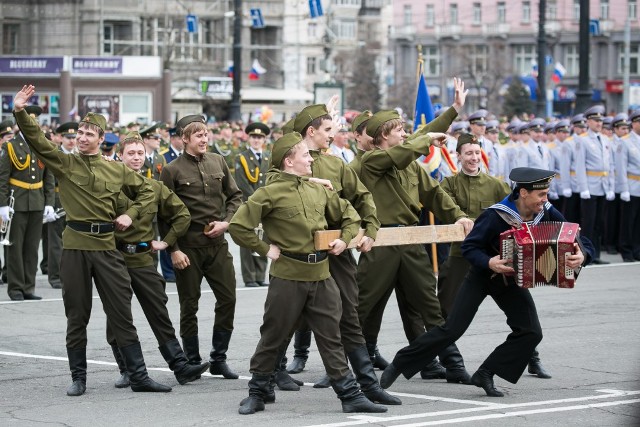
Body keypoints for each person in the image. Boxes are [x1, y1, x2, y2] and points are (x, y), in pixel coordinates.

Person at [380, 167, 594, 397]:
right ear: (523, 193)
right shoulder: (496, 214)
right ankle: (400, 362)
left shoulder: (547, 212)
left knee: (531, 332)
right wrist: (489, 261)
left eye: (546, 194)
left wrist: (582, 255)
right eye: (541, 194)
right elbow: (469, 246)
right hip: (482, 276)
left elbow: (576, 237)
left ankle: (486, 373)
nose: (546, 199)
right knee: (452, 329)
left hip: (510, 280)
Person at [12, 84, 169, 396]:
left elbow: (151, 190)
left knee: (121, 313)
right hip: (75, 248)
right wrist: (20, 111)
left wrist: (132, 214)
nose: (81, 137)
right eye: (79, 132)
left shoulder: (116, 170)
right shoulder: (65, 162)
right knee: (77, 314)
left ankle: (138, 376)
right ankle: (78, 378)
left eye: (88, 133)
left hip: (108, 249)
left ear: (101, 139)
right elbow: (39, 142)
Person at [228, 131, 386, 415]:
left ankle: (349, 395)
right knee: (273, 336)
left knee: (331, 337)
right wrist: (264, 249)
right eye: (304, 155)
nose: (310, 159)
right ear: (289, 161)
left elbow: (350, 214)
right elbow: (239, 226)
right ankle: (258, 391)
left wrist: (343, 239)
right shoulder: (269, 192)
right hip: (288, 277)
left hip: (322, 276)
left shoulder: (318, 190)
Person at [355, 78, 475, 385]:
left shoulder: (409, 165)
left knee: (428, 307)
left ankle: (450, 362)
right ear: (383, 136)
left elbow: (435, 195)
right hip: (380, 243)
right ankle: (361, 360)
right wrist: (427, 139)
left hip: (410, 242)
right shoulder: (371, 161)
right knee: (366, 307)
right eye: (399, 131)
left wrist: (459, 216)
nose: (405, 135)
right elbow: (408, 148)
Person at [106, 132, 210, 388]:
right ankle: (126, 369)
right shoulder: (108, 184)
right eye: (131, 153)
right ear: (120, 156)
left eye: (140, 153)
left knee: (159, 312)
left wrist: (166, 243)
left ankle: (180, 366)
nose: (136, 158)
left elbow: (182, 215)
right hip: (115, 258)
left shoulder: (154, 187)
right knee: (117, 316)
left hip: (143, 258)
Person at [159, 114, 243, 380]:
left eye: (206, 134)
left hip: (217, 244)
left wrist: (227, 222)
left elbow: (236, 196)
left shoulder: (218, 161)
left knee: (228, 298)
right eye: (198, 135)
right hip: (188, 248)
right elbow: (163, 214)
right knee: (189, 305)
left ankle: (219, 358)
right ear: (184, 138)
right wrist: (173, 249)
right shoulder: (171, 170)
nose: (204, 139)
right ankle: (193, 361)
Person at [0, 104, 55, 301]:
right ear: (20, 124)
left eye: (35, 122)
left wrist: (49, 202)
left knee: (31, 248)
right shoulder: (10, 146)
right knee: (15, 247)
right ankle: (15, 288)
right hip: (17, 203)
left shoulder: (42, 144)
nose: (33, 125)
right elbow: (3, 178)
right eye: (29, 121)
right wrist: (3, 205)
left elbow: (48, 176)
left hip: (37, 202)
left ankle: (28, 287)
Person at [574, 105, 615, 264]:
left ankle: (596, 254)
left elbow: (610, 165)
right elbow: (580, 166)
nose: (599, 123)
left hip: (603, 186)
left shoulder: (605, 140)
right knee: (588, 223)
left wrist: (610, 187)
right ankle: (585, 254)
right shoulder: (582, 140)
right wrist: (583, 188)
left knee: (599, 222)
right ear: (588, 122)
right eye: (595, 120)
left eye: (600, 120)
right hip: (590, 187)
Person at [234, 122, 270, 288]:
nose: (257, 140)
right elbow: (242, 184)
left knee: (263, 238)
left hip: (266, 205)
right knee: (248, 239)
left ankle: (260, 275)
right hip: (249, 203)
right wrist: (257, 201)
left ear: (264, 139)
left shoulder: (269, 158)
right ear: (249, 138)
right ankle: (250, 277)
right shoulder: (241, 158)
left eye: (260, 137)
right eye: (254, 137)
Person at [617, 110, 640, 262]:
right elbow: (621, 167)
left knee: (639, 221)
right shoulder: (625, 141)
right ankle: (626, 250)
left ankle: (637, 250)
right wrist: (624, 188)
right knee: (628, 221)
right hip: (631, 186)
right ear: (634, 123)